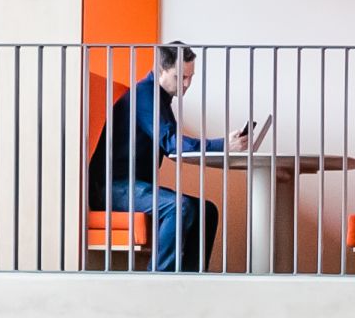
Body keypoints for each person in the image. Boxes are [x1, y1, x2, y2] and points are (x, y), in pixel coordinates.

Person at [88, 44, 265, 271]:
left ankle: (190, 279)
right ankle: (160, 281)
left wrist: (220, 147)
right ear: (161, 69)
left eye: (190, 77)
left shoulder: (160, 99)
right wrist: (223, 144)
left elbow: (172, 146)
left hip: (133, 186)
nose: (186, 84)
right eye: (179, 77)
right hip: (112, 188)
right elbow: (173, 144)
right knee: (179, 207)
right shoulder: (145, 96)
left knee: (206, 210)